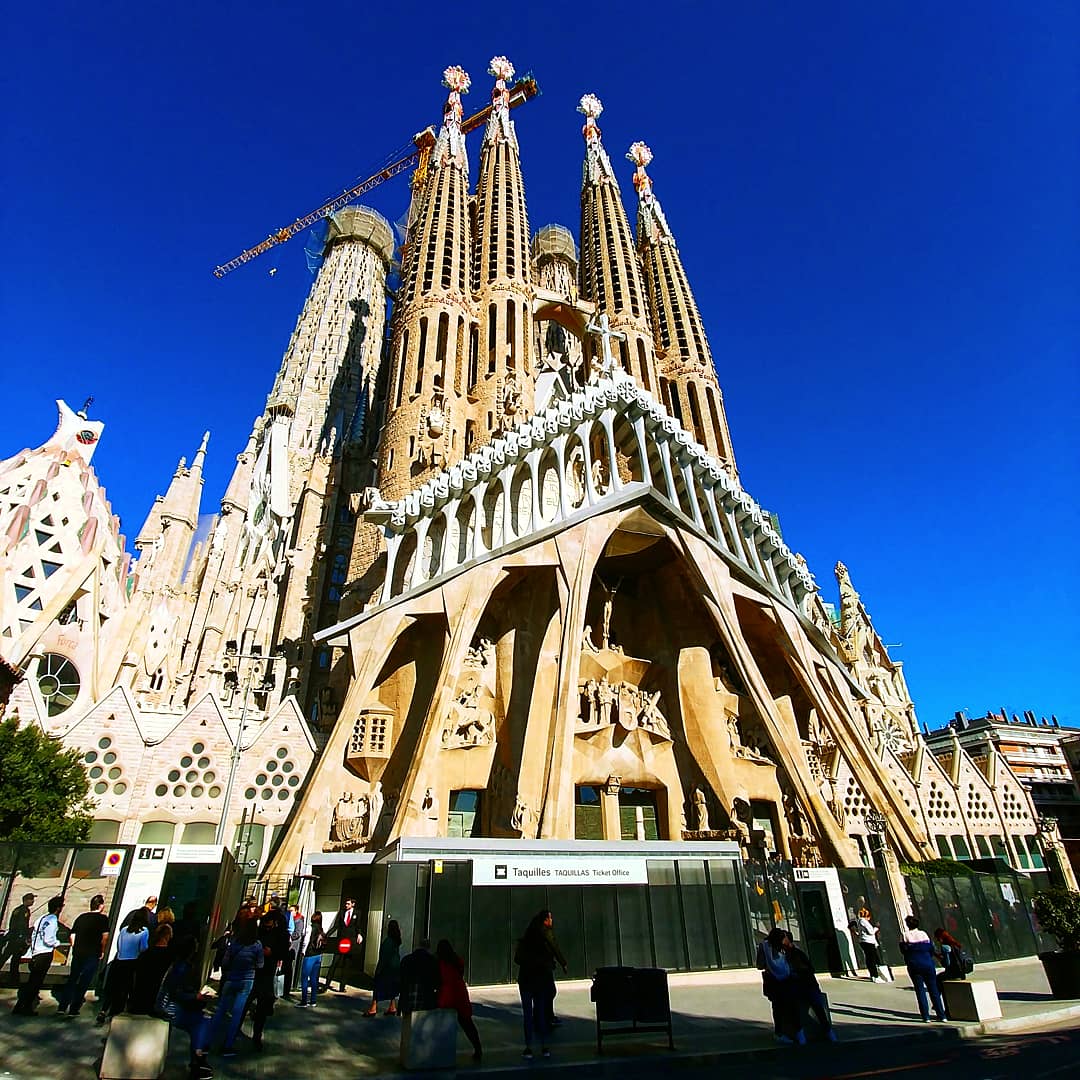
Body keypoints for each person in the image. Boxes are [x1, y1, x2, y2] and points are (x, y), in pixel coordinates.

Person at [158, 935, 213, 1080]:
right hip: (171, 1009)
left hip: (171, 1006)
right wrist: (196, 997)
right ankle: (197, 1059)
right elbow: (177, 993)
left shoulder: (177, 964)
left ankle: (198, 1057)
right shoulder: (182, 968)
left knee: (202, 1019)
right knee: (202, 1021)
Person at [208, 916, 264, 1057]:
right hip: (247, 980)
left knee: (221, 1010)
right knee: (237, 1014)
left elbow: (225, 962)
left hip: (232, 978)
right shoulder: (257, 945)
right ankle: (228, 1045)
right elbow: (260, 965)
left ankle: (206, 1042)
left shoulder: (235, 943)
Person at [514, 910, 563, 1059]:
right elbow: (550, 956)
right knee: (540, 1013)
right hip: (539, 981)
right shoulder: (544, 942)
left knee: (528, 1015)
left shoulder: (524, 942)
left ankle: (528, 1047)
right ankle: (544, 1047)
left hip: (526, 981)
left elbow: (518, 959)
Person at [246, 903, 290, 1051]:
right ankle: (255, 1036)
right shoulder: (269, 932)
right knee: (256, 1006)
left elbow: (283, 952)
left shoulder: (276, 934)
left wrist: (272, 953)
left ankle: (254, 1035)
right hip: (259, 973)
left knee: (255, 1005)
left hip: (262, 973)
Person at [57, 893, 109, 1016]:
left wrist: (75, 947)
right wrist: (102, 950)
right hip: (92, 953)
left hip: (79, 952)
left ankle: (62, 1006)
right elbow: (105, 937)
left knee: (72, 979)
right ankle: (74, 1008)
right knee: (84, 981)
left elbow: (72, 935)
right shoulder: (103, 919)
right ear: (101, 906)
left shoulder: (81, 917)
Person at [12, 895, 64, 1016]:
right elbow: (49, 939)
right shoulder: (52, 920)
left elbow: (34, 934)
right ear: (58, 908)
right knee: (35, 983)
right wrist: (57, 943)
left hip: (36, 953)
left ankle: (20, 1005)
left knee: (31, 981)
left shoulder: (41, 918)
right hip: (44, 953)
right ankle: (26, 1007)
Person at [782, 932, 838, 1042]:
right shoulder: (792, 953)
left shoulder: (794, 954)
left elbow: (807, 969)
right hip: (805, 985)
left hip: (804, 984)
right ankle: (827, 1032)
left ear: (788, 940)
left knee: (812, 1007)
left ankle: (807, 1033)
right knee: (813, 1007)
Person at [100, 906, 150, 1019]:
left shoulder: (124, 929)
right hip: (132, 961)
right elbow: (143, 947)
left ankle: (104, 1009)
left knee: (114, 987)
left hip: (119, 960)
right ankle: (117, 1012)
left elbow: (118, 944)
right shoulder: (144, 931)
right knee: (125, 987)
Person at [436, 939, 482, 1061]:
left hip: (447, 994)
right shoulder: (457, 961)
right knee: (467, 1023)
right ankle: (478, 1048)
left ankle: (441, 1051)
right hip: (460, 992)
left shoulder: (440, 963)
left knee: (443, 1025)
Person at [756, 927, 802, 1044]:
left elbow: (760, 964)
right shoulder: (773, 946)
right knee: (786, 1006)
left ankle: (784, 1031)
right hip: (781, 980)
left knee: (780, 1007)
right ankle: (794, 1031)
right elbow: (760, 964)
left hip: (777, 980)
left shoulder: (765, 946)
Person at [900, 915, 945, 1023]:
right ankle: (941, 1015)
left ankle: (926, 1016)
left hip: (914, 964)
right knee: (933, 989)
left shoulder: (905, 935)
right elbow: (931, 949)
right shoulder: (924, 934)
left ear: (907, 924)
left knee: (920, 991)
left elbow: (903, 950)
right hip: (927, 964)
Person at [129, 924, 174, 1014]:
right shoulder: (169, 956)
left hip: (140, 995)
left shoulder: (146, 953)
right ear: (168, 936)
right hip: (156, 997)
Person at [365, 919, 402, 1016]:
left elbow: (384, 957)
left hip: (387, 969)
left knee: (378, 987)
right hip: (395, 968)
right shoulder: (396, 941)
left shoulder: (388, 942)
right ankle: (392, 1006)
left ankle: (373, 1008)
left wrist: (378, 969)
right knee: (392, 988)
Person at [324, 897, 360, 992]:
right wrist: (326, 935)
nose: (346, 905)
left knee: (346, 965)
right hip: (341, 941)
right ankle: (326, 985)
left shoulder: (357, 913)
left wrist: (359, 934)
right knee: (334, 963)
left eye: (348, 904)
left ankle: (342, 987)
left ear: (353, 904)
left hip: (350, 941)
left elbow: (358, 926)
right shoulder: (341, 912)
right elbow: (336, 926)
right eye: (346, 904)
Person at [398, 937, 440, 1015]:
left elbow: (401, 979)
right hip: (425, 1000)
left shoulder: (406, 959)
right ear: (428, 947)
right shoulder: (432, 961)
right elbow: (436, 982)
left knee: (407, 1024)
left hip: (408, 999)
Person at [1, 892, 35, 986]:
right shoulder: (25, 911)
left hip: (12, 937)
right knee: (15, 960)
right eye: (31, 899)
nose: (33, 901)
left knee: (5, 956)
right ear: (26, 900)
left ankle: (14, 978)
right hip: (18, 939)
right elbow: (22, 926)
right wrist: (25, 938)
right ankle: (14, 979)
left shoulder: (17, 910)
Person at [296, 911, 326, 1008]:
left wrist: (303, 952)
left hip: (310, 954)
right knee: (314, 978)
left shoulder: (310, 927)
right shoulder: (321, 929)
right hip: (318, 955)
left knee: (304, 978)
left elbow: (306, 941)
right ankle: (313, 1000)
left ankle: (304, 1001)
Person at [854, 908, 885, 982]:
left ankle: (874, 974)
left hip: (865, 941)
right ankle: (875, 975)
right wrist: (876, 928)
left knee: (870, 958)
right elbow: (871, 932)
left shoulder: (859, 921)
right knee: (871, 959)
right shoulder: (863, 921)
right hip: (868, 942)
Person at [287, 905, 305, 993]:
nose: (290, 912)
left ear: (296, 911)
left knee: (292, 965)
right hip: (290, 944)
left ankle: (290, 985)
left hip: (294, 945)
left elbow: (297, 933)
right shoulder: (291, 919)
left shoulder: (299, 920)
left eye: (292, 911)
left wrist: (290, 936)